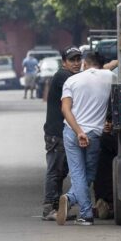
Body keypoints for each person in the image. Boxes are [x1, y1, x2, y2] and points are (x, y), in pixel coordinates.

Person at [57, 50, 115, 226]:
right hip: (95, 134)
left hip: (72, 132)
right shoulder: (109, 77)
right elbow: (108, 67)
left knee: (78, 173)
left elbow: (65, 109)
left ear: (84, 64)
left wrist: (78, 131)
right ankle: (75, 201)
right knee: (89, 173)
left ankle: (84, 212)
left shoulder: (71, 80)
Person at [41, 47, 81, 221]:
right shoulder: (62, 76)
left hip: (62, 132)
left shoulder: (71, 76)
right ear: (64, 62)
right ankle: (49, 207)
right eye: (72, 60)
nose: (76, 63)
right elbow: (82, 81)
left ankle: (57, 207)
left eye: (79, 59)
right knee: (54, 171)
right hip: (56, 133)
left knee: (62, 170)